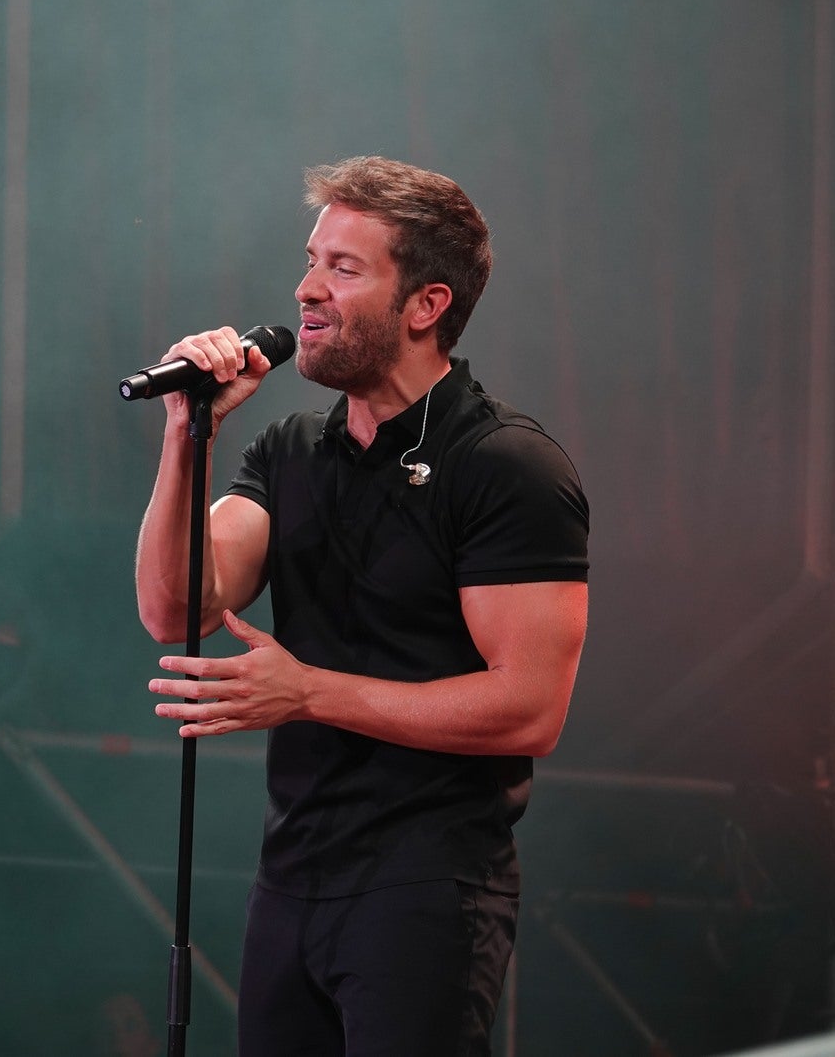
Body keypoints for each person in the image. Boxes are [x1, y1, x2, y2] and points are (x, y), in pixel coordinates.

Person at [134, 156, 589, 1055]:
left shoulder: (505, 466)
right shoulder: (293, 448)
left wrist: (307, 693)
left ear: (425, 304)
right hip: (292, 879)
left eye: (344, 268)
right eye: (311, 260)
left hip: (426, 888)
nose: (306, 289)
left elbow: (531, 708)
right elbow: (176, 603)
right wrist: (189, 436)